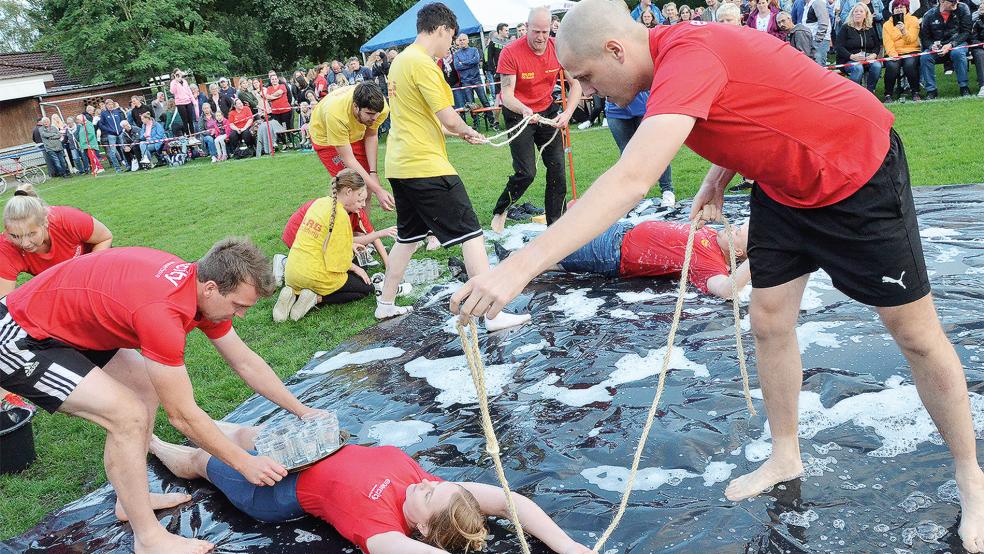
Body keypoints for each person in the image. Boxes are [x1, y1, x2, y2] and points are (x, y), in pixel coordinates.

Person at [451, 3, 984, 553]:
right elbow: (757, 98)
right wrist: (716, 175)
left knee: (916, 337)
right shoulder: (669, 59)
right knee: (768, 320)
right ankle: (785, 453)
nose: (585, 91)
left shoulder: (687, 57)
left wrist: (515, 267)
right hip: (783, 188)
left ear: (615, 50)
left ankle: (971, 476)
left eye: (585, 77)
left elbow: (631, 180)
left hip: (855, 172)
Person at [0, 237, 325, 553]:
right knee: (128, 415)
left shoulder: (200, 292)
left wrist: (302, 411)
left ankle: (128, 501)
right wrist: (243, 464)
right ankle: (149, 540)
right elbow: (182, 416)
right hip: (19, 334)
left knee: (143, 387)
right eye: (238, 306)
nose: (240, 315)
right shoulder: (164, 312)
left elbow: (245, 361)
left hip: (70, 322)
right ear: (211, 288)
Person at [148, 424, 592, 554]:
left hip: (271, 490)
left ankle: (152, 441)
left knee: (200, 460)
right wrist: (568, 546)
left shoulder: (383, 530)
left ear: (422, 529)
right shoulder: (433, 491)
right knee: (243, 430)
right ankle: (190, 418)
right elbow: (509, 502)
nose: (425, 482)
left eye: (429, 495)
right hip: (310, 450)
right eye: (437, 486)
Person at [377, 2, 530, 331]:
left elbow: (427, 118)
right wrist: (466, 128)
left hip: (400, 165)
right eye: (452, 37)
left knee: (408, 237)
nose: (451, 43)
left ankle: (385, 304)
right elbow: (447, 116)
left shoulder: (400, 62)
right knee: (471, 233)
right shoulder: (423, 64)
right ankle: (492, 313)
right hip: (425, 166)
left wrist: (460, 134)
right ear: (442, 30)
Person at [490, 6, 583, 234]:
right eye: (535, 32)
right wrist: (523, 109)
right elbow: (506, 95)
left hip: (547, 112)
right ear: (527, 27)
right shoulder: (510, 52)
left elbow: (576, 84)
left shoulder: (557, 48)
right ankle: (501, 210)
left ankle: (556, 225)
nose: (541, 37)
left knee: (557, 170)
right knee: (526, 173)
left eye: (545, 31)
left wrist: (568, 113)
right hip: (518, 114)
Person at [502, 220, 750, 298]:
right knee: (553, 239)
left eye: (738, 233)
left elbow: (727, 290)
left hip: (612, 251)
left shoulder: (712, 265)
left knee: (543, 257)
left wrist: (758, 260)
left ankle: (503, 273)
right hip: (622, 231)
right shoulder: (713, 234)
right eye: (738, 226)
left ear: (738, 253)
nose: (733, 227)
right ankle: (512, 261)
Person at [273, 171, 377, 321]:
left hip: (292, 272)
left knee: (354, 270)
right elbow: (338, 261)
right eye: (361, 200)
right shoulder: (341, 216)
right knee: (367, 288)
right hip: (314, 275)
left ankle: (293, 296)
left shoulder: (319, 203)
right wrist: (357, 268)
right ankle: (316, 299)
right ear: (349, 192)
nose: (362, 205)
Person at [0, 185, 112, 295]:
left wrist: (86, 273)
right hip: (60, 284)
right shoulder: (5, 247)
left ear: (45, 222)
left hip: (92, 266)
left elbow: (105, 238)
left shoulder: (68, 219)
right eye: (15, 236)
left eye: (31, 234)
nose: (24, 244)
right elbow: (4, 300)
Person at [309, 82, 394, 211]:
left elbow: (371, 135)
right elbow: (348, 159)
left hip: (355, 132)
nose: (375, 118)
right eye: (370, 114)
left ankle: (364, 230)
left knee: (367, 188)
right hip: (326, 138)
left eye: (377, 114)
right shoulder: (336, 115)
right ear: (355, 106)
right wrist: (379, 190)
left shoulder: (381, 108)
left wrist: (373, 173)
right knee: (351, 189)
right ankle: (348, 228)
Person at [606, 92, 675, 207]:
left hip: (644, 107)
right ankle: (630, 196)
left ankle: (667, 190)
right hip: (616, 111)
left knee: (656, 151)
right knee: (626, 155)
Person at [920, 0, 974, 98]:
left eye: (957, 0)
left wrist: (951, 45)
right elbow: (925, 38)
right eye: (952, 1)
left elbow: (966, 32)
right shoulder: (929, 15)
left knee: (957, 53)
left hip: (958, 43)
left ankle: (964, 87)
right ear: (942, 1)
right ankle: (931, 90)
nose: (955, 3)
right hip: (938, 46)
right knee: (925, 56)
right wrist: (932, 46)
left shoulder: (963, 8)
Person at [453, 33, 497, 131]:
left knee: (484, 100)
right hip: (466, 82)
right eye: (460, 40)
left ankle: (492, 121)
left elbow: (476, 61)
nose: (462, 42)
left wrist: (463, 63)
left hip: (476, 79)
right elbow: (457, 66)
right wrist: (470, 63)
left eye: (464, 39)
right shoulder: (456, 54)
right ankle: (476, 123)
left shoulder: (474, 50)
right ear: (458, 42)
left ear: (468, 40)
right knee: (470, 103)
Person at [837, 3, 884, 93]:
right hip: (848, 59)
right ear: (852, 14)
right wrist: (851, 56)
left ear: (866, 15)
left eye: (861, 11)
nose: (858, 13)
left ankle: (870, 91)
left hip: (867, 58)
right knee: (858, 67)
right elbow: (839, 47)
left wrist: (874, 55)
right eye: (856, 11)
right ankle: (855, 93)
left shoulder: (869, 28)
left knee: (877, 65)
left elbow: (877, 45)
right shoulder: (845, 28)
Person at [882, 0, 923, 102]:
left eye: (902, 7)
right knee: (892, 66)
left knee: (909, 64)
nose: (899, 9)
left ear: (907, 9)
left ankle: (915, 92)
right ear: (892, 10)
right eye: (896, 8)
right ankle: (888, 94)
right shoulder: (887, 24)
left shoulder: (913, 20)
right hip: (894, 52)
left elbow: (911, 39)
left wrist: (903, 31)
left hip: (911, 50)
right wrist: (893, 54)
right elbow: (888, 42)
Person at [263, 70, 293, 139]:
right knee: (278, 127)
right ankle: (284, 142)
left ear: (278, 80)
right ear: (270, 81)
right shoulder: (269, 88)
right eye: (272, 79)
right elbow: (267, 97)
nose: (274, 80)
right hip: (275, 112)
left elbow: (279, 92)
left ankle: (290, 140)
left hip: (285, 110)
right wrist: (275, 97)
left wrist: (271, 97)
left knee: (287, 126)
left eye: (275, 79)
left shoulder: (282, 85)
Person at [169, 69, 197, 137]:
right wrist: (176, 81)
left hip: (188, 101)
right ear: (174, 75)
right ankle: (187, 135)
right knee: (185, 120)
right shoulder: (173, 82)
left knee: (190, 120)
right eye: (177, 74)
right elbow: (172, 91)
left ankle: (193, 135)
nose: (179, 75)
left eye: (180, 73)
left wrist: (193, 101)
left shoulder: (184, 81)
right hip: (180, 103)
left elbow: (189, 92)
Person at [486, 23, 511, 98]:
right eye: (506, 30)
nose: (508, 32)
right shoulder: (493, 42)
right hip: (498, 71)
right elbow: (489, 58)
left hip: (509, 70)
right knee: (498, 92)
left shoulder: (509, 42)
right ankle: (497, 107)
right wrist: (493, 71)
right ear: (500, 31)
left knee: (509, 90)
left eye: (508, 30)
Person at [972, 2, 984, 96]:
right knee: (979, 54)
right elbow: (972, 38)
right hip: (980, 47)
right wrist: (981, 45)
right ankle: (983, 86)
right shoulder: (976, 21)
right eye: (980, 8)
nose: (981, 8)